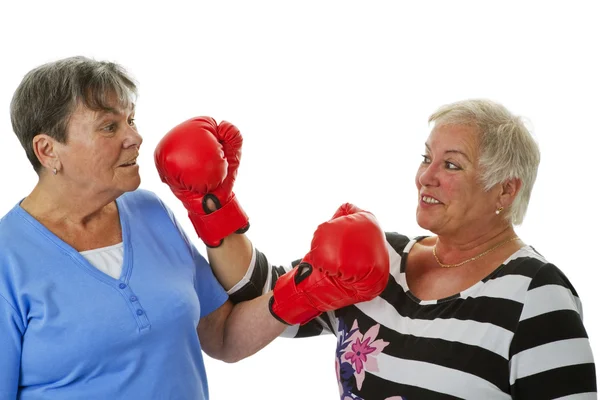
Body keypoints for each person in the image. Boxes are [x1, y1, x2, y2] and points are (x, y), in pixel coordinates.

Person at [0, 56, 388, 400]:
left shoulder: (149, 212)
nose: (135, 137)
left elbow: (223, 336)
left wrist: (308, 289)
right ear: (48, 150)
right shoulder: (8, 259)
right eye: (108, 126)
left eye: (130, 120)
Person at [156, 99, 597, 399]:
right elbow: (262, 298)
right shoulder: (384, 259)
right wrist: (212, 206)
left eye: (451, 164)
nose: (427, 176)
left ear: (505, 191)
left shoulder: (536, 294)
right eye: (426, 158)